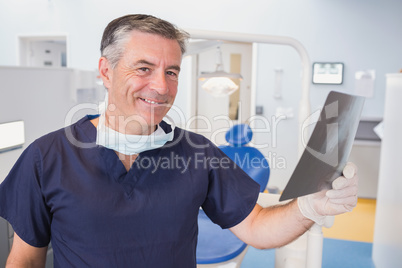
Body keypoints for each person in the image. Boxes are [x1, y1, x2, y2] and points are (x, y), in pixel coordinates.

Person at [0, 14, 358, 267]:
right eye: (144, 68)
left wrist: (310, 207)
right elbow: (26, 260)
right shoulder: (46, 158)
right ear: (106, 72)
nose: (161, 86)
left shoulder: (197, 154)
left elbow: (257, 227)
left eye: (171, 72)